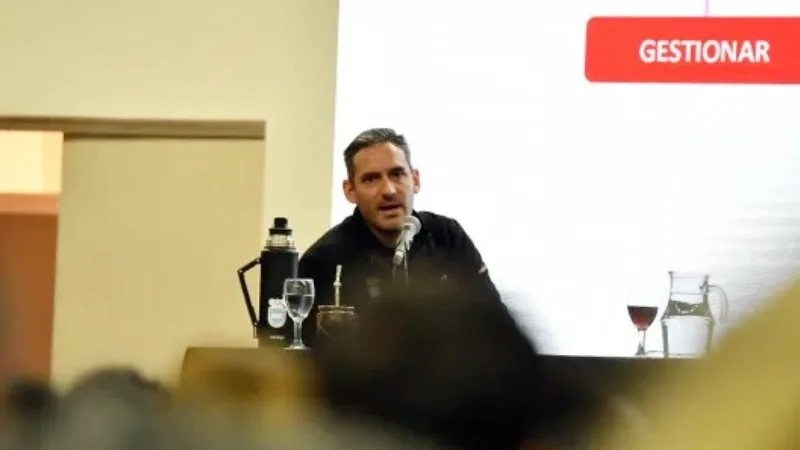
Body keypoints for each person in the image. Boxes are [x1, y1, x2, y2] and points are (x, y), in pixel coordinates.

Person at [299, 128, 503, 344]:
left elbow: (496, 323)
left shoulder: (447, 237)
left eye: (397, 174)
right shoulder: (322, 260)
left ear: (415, 180)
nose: (389, 191)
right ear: (350, 191)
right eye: (371, 179)